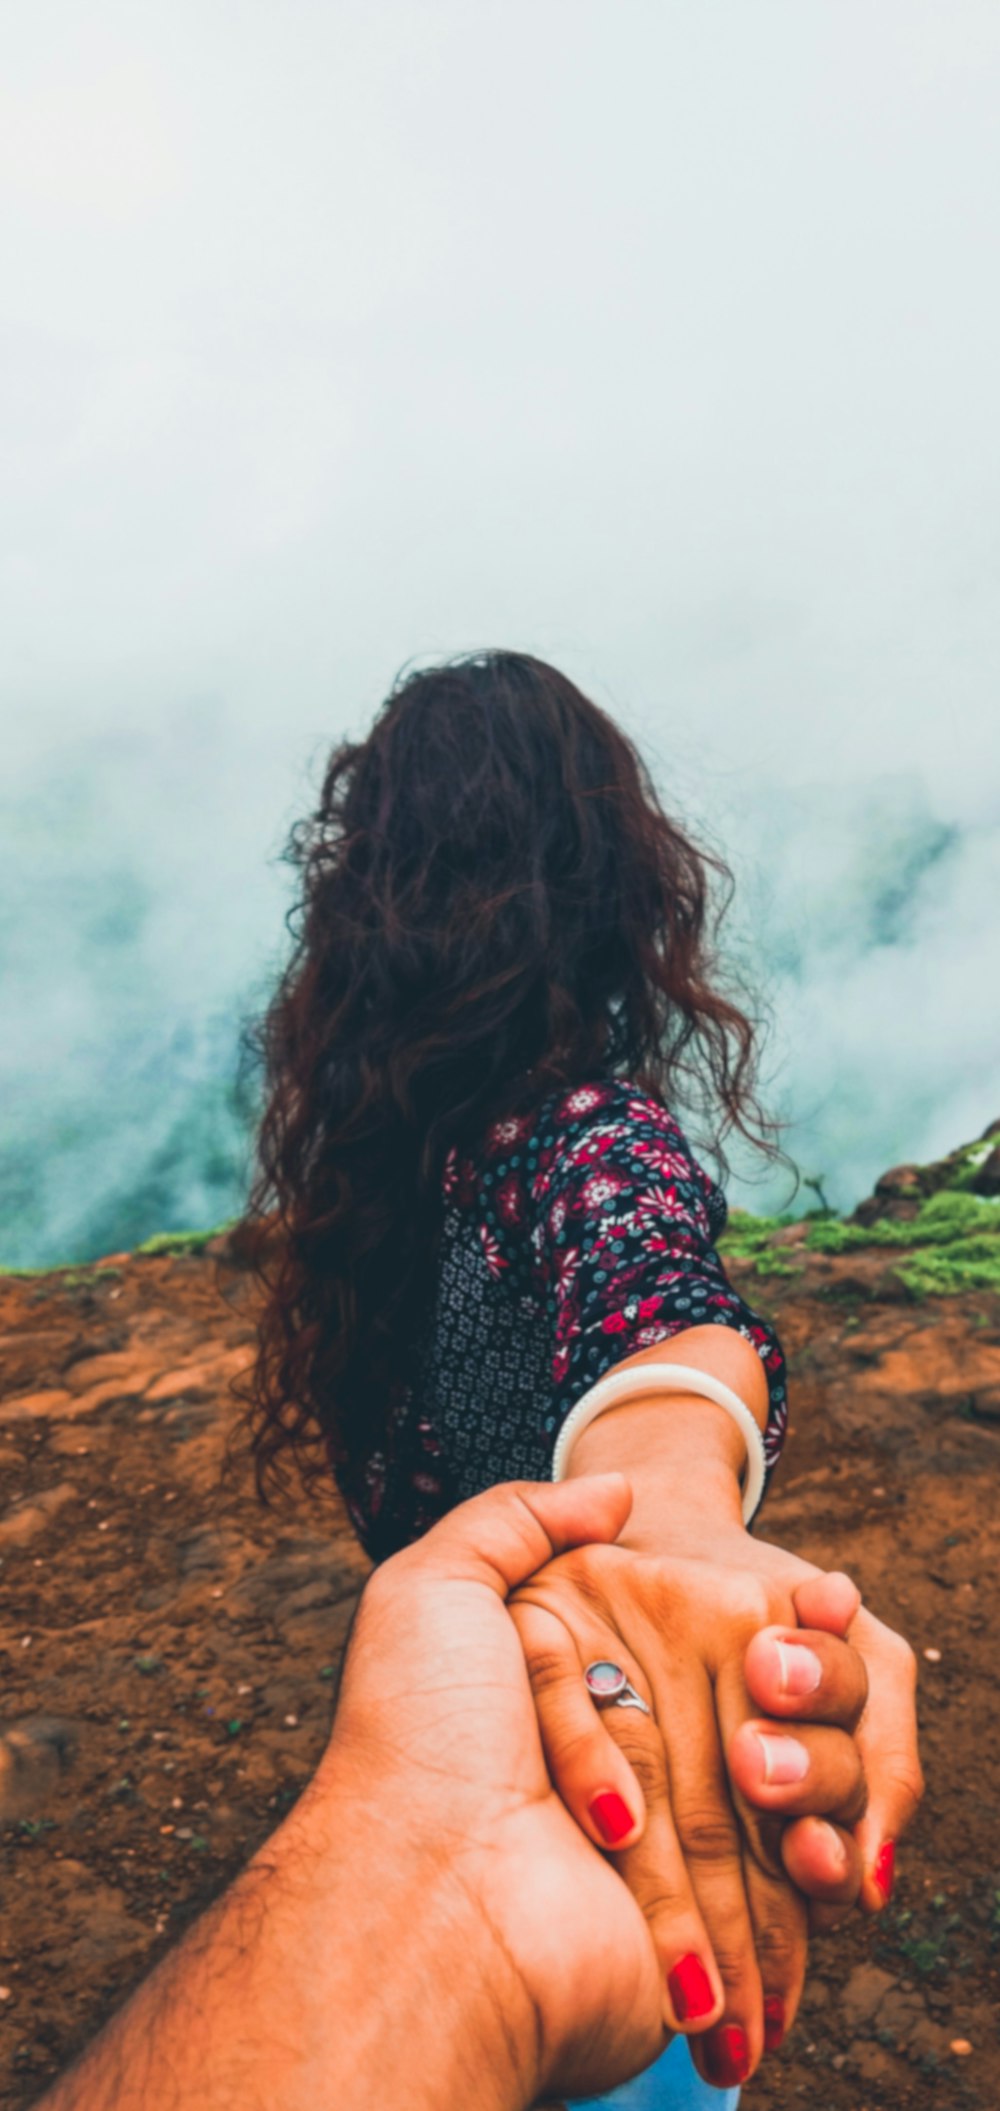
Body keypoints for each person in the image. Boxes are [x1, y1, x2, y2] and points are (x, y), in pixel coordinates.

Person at [238, 651, 923, 2102]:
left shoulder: (426, 1153)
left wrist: (668, 1498)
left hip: (511, 1774)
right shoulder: (554, 1135)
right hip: (606, 1809)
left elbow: (660, 1312)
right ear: (614, 880)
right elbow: (656, 1290)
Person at [33, 1473, 897, 2111]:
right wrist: (446, 1883)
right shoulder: (350, 1251)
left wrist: (675, 1527)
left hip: (619, 1853)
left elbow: (655, 1295)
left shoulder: (561, 1218)